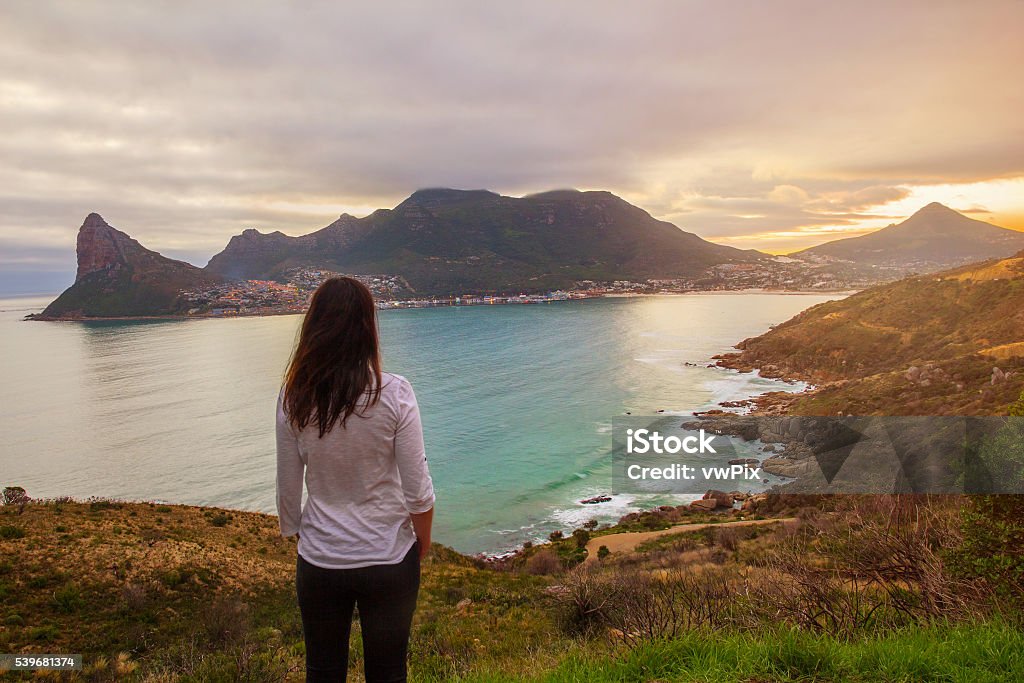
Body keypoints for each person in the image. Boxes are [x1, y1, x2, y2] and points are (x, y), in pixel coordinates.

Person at [276, 276, 435, 683]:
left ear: (314, 327)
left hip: (320, 560)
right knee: (388, 673)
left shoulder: (293, 396)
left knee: (323, 672)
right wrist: (422, 542)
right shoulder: (395, 393)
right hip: (387, 556)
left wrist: (302, 535)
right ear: (367, 328)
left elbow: (288, 489)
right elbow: (418, 490)